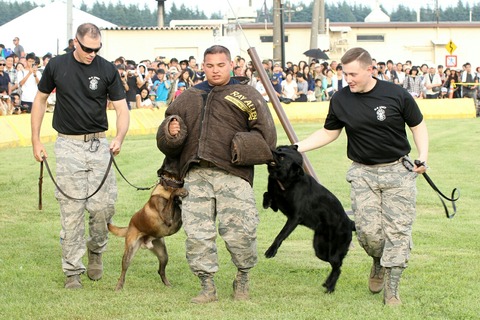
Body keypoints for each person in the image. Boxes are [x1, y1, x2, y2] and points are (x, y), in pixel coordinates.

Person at [295, 47, 429, 306]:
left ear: (370, 69)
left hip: (398, 172)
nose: (349, 79)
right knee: (368, 234)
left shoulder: (396, 94)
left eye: (353, 74)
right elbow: (329, 132)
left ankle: (392, 289)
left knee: (398, 232)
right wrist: (297, 148)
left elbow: (417, 125)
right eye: (345, 74)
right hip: (363, 174)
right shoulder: (340, 99)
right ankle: (378, 260)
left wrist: (423, 156)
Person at [156, 45, 276, 303]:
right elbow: (165, 140)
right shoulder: (188, 97)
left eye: (221, 65)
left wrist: (240, 146)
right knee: (198, 234)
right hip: (195, 176)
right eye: (210, 65)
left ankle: (242, 278)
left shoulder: (247, 95)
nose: (215, 70)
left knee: (241, 232)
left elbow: (268, 138)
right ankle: (207, 285)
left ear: (231, 65)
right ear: (203, 66)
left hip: (233, 175)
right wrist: (171, 132)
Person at [30, 23, 130, 290]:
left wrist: (119, 137)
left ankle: (96, 250)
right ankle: (72, 270)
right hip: (67, 146)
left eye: (96, 49)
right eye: (87, 48)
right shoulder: (56, 66)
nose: (91, 54)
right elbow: (39, 101)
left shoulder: (107, 68)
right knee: (71, 209)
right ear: (75, 42)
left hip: (99, 144)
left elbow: (122, 109)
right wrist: (36, 140)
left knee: (102, 207)